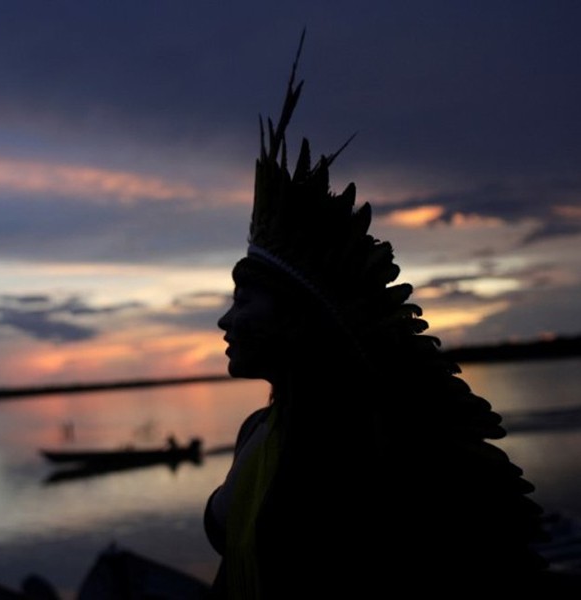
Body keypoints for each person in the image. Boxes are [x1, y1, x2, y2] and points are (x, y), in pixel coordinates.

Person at [204, 39, 550, 598]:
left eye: (243, 300)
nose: (225, 320)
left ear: (299, 319)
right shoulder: (258, 433)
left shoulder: (378, 451)